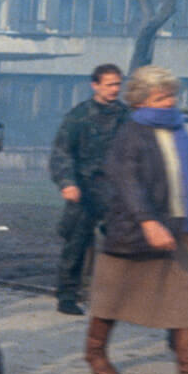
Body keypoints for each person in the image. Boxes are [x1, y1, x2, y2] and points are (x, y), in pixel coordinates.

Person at [86, 66, 188, 374]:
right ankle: (95, 351)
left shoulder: (182, 130)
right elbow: (127, 181)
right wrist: (148, 221)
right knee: (113, 296)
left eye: (171, 95)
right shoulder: (131, 134)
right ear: (141, 103)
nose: (169, 103)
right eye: (160, 97)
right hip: (135, 230)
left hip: (185, 226)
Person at [51, 64, 128, 315]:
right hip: (84, 187)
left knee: (120, 242)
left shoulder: (126, 116)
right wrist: (67, 182)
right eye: (109, 84)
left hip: (115, 189)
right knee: (76, 242)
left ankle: (114, 294)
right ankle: (67, 294)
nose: (114, 89)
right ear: (95, 85)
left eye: (117, 84)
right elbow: (62, 152)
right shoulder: (79, 116)